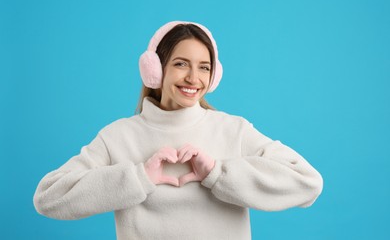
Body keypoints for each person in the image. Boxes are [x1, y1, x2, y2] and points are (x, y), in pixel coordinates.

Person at [33, 21, 323, 239]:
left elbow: (308, 182)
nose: (193, 78)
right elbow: (47, 197)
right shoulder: (117, 137)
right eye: (181, 64)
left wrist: (217, 173)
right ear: (156, 69)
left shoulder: (233, 130)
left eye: (204, 68)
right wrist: (138, 178)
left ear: (214, 75)